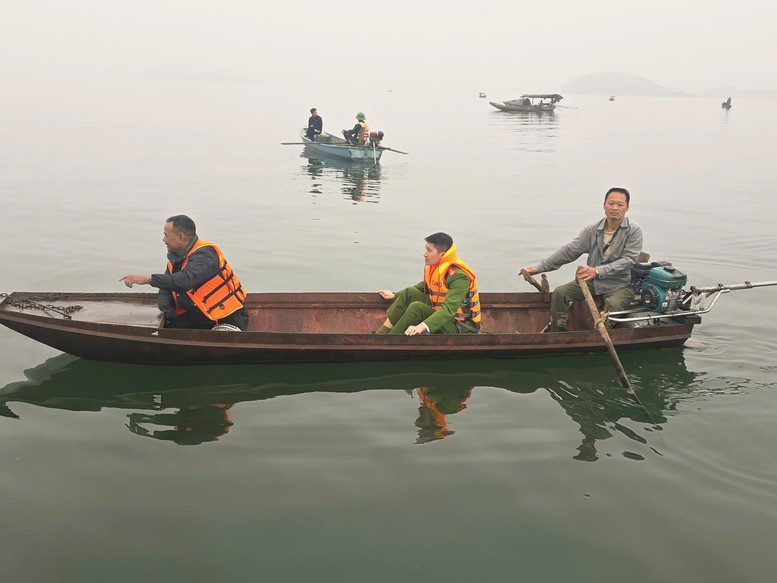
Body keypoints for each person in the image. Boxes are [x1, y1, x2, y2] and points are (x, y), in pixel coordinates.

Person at [520, 187, 642, 332]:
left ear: (627, 208)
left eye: (620, 205)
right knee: (560, 293)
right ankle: (558, 332)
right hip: (592, 282)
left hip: (619, 284)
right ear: (604, 205)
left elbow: (628, 260)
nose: (615, 208)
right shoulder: (593, 230)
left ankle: (595, 337)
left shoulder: (634, 231)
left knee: (613, 306)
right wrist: (539, 267)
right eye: (611, 203)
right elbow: (569, 251)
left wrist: (597, 270)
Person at [120, 214, 249, 331]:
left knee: (219, 344)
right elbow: (166, 288)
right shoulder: (176, 258)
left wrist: (148, 279)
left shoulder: (206, 254)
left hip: (226, 316)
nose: (163, 239)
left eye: (166, 235)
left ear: (180, 237)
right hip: (199, 315)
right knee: (166, 333)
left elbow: (185, 280)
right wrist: (168, 313)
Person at [376, 232, 481, 335]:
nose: (424, 254)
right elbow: (423, 287)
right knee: (409, 292)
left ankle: (388, 340)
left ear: (442, 254)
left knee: (417, 308)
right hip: (440, 313)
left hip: (461, 326)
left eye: (429, 250)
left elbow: (448, 310)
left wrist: (422, 326)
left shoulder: (458, 277)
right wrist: (394, 295)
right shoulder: (436, 267)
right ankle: (381, 334)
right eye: (426, 249)